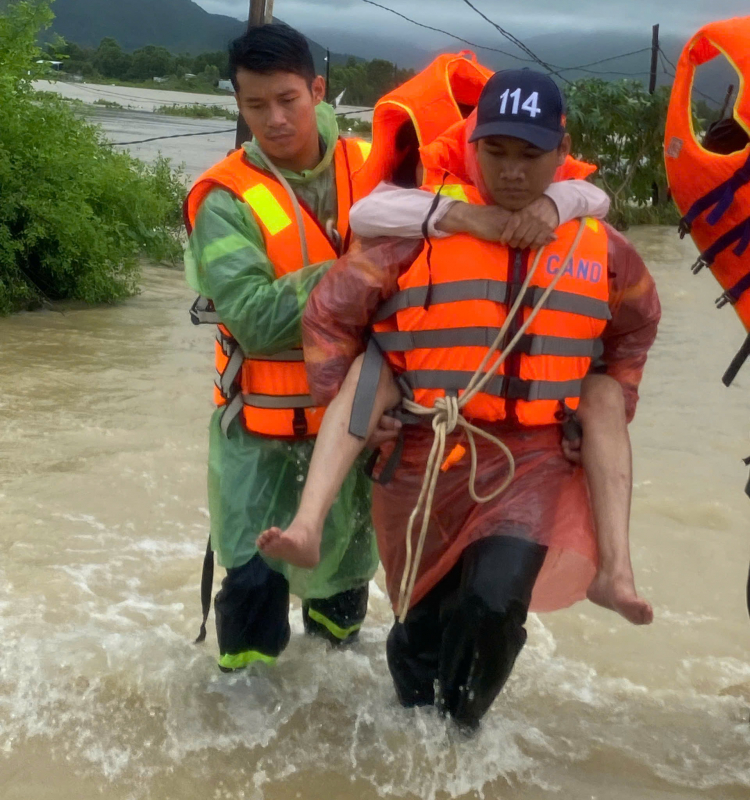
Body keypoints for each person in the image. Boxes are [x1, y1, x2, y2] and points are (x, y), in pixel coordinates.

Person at [262, 70, 661, 729]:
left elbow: (637, 322)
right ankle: (415, 732)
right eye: (496, 152)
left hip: (529, 462)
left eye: (530, 156)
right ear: (471, 147)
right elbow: (331, 313)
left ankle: (462, 738)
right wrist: (353, 402)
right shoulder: (417, 231)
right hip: (421, 458)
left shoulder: (600, 246)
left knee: (496, 603)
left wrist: (606, 401)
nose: (511, 172)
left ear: (561, 154)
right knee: (421, 627)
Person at [184, 24, 381, 671]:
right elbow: (258, 321)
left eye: (288, 100)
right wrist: (359, 268)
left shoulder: (377, 168)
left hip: (356, 440)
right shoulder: (225, 199)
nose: (273, 119)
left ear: (317, 89)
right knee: (249, 611)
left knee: (344, 610)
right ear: (237, 103)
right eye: (254, 105)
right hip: (260, 444)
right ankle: (239, 748)